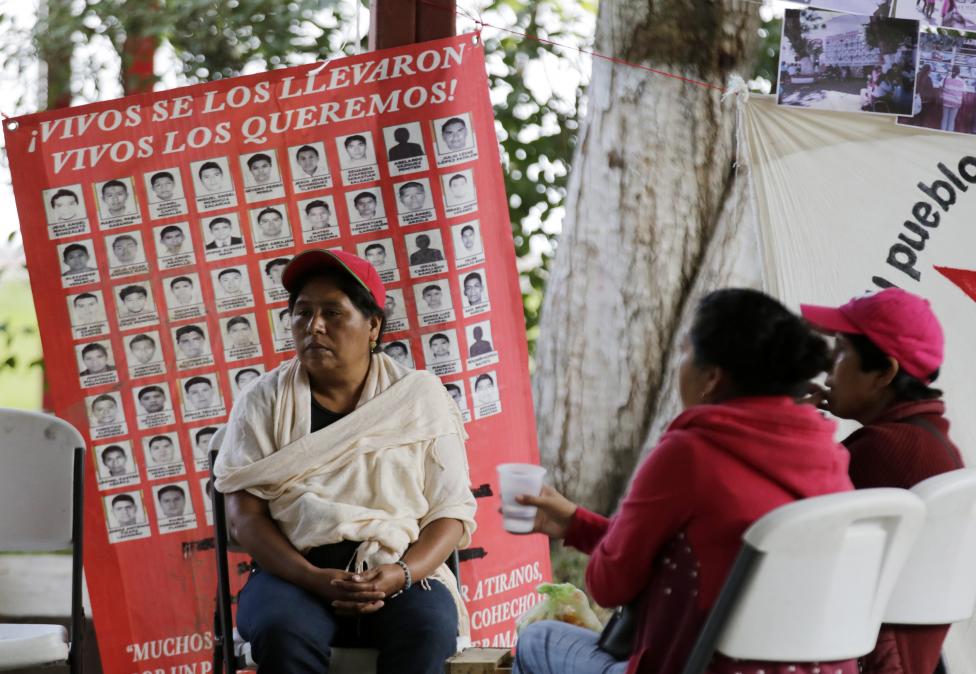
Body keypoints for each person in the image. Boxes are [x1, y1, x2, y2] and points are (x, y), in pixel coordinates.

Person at [512, 288, 855, 674]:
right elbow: (710, 552)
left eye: (685, 351)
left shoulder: (690, 454)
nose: (680, 363)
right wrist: (578, 525)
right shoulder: (829, 455)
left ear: (711, 377)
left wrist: (593, 539)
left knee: (538, 640)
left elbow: (610, 586)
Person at [214, 248, 476, 674]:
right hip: (293, 573)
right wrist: (309, 576)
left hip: (397, 571)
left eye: (333, 313)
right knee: (282, 629)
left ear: (372, 325)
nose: (313, 326)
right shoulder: (262, 400)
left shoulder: (420, 399)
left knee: (428, 631)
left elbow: (450, 513)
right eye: (302, 314)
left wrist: (403, 574)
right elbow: (244, 517)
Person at [800, 288, 964, 674]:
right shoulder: (934, 441)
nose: (828, 369)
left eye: (841, 353)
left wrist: (791, 430)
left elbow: (786, 537)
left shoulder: (881, 451)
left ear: (885, 373)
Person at [940, 65, 964, 132]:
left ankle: (942, 133)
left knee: (944, 118)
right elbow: (964, 92)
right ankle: (949, 135)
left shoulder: (946, 78)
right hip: (956, 102)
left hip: (946, 101)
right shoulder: (962, 81)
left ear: (952, 70)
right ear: (959, 72)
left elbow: (940, 86)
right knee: (952, 120)